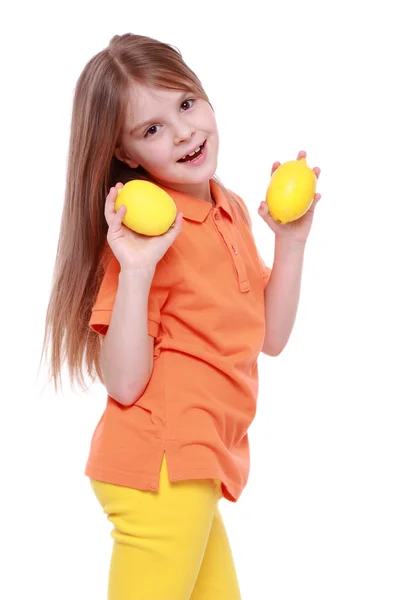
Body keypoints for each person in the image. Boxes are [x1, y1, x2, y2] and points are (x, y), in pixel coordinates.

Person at [41, 32, 321, 600]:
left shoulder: (229, 206)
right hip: (160, 466)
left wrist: (290, 244)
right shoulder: (147, 232)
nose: (185, 132)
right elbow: (123, 382)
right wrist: (137, 270)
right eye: (152, 129)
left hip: (197, 469)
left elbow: (270, 338)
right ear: (126, 154)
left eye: (186, 104)